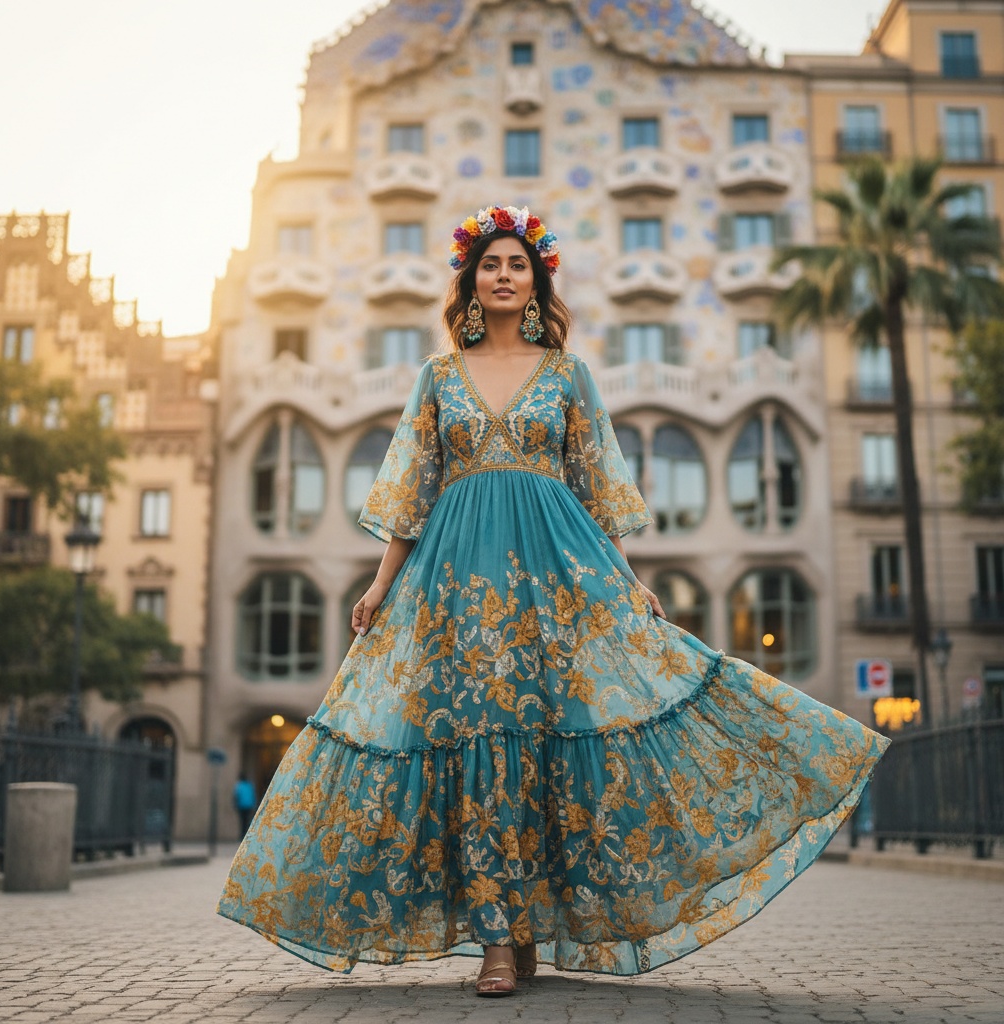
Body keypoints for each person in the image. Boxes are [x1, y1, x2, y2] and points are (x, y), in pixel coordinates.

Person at [217, 205, 889, 996]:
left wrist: (630, 579)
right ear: (471, 281)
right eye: (492, 265)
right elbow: (412, 488)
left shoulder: (568, 374)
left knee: (549, 737)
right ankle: (499, 940)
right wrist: (379, 582)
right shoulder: (436, 375)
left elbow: (598, 484)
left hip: (560, 568)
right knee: (476, 737)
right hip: (456, 573)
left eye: (518, 265)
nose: (504, 275)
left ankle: (528, 923)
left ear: (536, 282)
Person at [232, 773, 257, 839]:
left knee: (242, 821)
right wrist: (254, 804)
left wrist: (235, 805)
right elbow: (253, 795)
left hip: (241, 806)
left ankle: (242, 835)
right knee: (247, 820)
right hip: (249, 805)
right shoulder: (249, 785)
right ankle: (246, 834)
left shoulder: (239, 785)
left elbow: (236, 796)